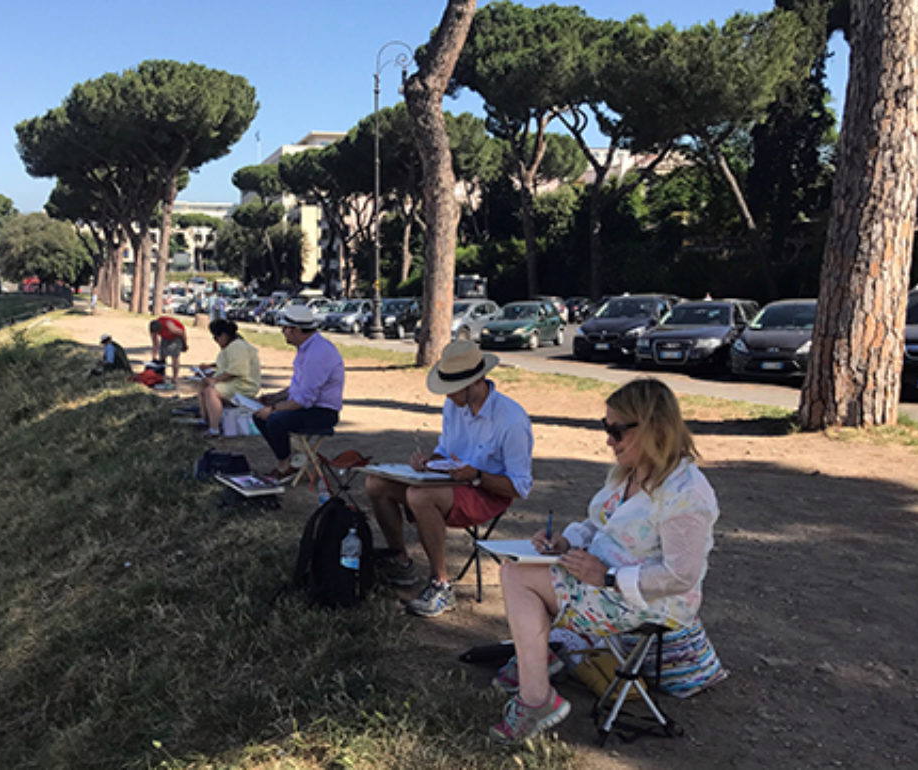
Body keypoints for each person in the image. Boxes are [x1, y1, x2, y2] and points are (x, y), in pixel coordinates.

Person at [486, 378, 719, 744]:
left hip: (650, 602)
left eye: (616, 430)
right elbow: (598, 524)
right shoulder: (630, 474)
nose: (608, 439)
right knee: (516, 570)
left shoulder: (686, 493)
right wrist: (566, 540)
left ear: (655, 427)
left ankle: (536, 695)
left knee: (518, 578)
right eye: (604, 427)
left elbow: (681, 575)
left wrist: (609, 576)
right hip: (604, 582)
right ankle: (536, 674)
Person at [366, 339, 533, 619]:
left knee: (419, 497)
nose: (448, 396)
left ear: (476, 382)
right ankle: (401, 560)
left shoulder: (512, 421)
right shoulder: (455, 405)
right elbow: (446, 450)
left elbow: (520, 487)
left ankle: (441, 584)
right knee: (376, 483)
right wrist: (429, 461)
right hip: (453, 481)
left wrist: (477, 475)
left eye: (453, 389)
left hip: (487, 491)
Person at [253, 305, 344, 480]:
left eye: (285, 328)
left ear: (296, 330)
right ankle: (287, 461)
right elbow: (299, 387)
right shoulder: (307, 349)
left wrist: (274, 409)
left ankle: (285, 466)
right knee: (259, 415)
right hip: (309, 407)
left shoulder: (317, 353)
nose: (283, 332)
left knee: (274, 420)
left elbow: (304, 400)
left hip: (322, 412)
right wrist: (275, 398)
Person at [197, 319, 261, 437]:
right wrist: (210, 367)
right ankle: (205, 419)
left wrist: (215, 380)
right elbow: (228, 364)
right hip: (236, 382)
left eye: (216, 338)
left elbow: (237, 370)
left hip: (244, 385)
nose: (216, 341)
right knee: (203, 385)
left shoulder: (237, 346)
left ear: (224, 336)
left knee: (211, 391)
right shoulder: (233, 346)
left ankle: (214, 429)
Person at [149, 315, 188, 385]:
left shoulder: (169, 326)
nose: (157, 333)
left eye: (158, 332)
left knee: (175, 357)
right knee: (162, 356)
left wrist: (184, 344)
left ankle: (175, 377)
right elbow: (155, 343)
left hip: (177, 337)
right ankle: (161, 376)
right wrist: (154, 357)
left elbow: (181, 332)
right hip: (166, 337)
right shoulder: (153, 328)